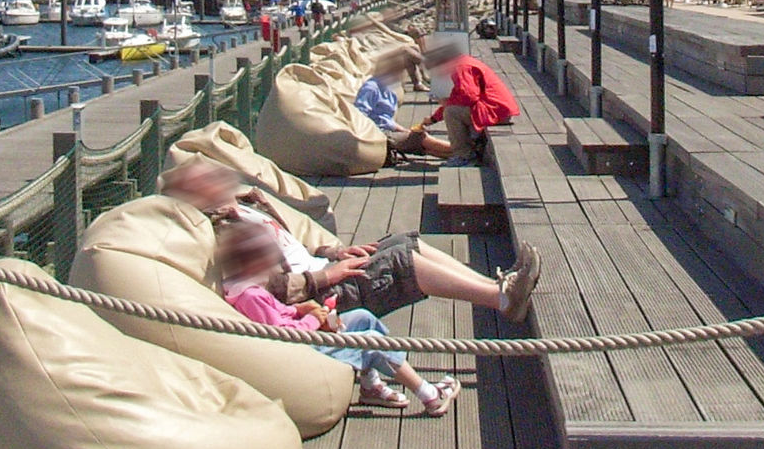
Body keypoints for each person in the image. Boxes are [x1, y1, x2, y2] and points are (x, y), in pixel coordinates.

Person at [164, 158, 541, 320]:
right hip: (316, 297)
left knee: (403, 241)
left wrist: (335, 252)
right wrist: (330, 274)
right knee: (400, 265)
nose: (218, 177)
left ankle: (498, 286)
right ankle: (501, 299)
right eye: (205, 181)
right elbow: (272, 288)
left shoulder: (247, 204)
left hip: (322, 267)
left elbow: (290, 246)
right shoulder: (227, 229)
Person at [217, 220, 461, 415]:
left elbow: (277, 316)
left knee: (361, 317)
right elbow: (284, 335)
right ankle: (428, 395)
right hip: (302, 348)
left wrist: (300, 310)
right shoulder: (249, 296)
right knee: (370, 340)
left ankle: (370, 386)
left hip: (304, 332)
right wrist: (313, 318)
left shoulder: (249, 287)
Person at [405, 32, 519, 165]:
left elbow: (469, 97)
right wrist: (434, 118)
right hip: (497, 109)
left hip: (495, 111)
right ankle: (470, 147)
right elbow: (461, 99)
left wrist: (444, 104)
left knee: (451, 113)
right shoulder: (462, 61)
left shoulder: (460, 67)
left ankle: (464, 156)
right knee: (453, 110)